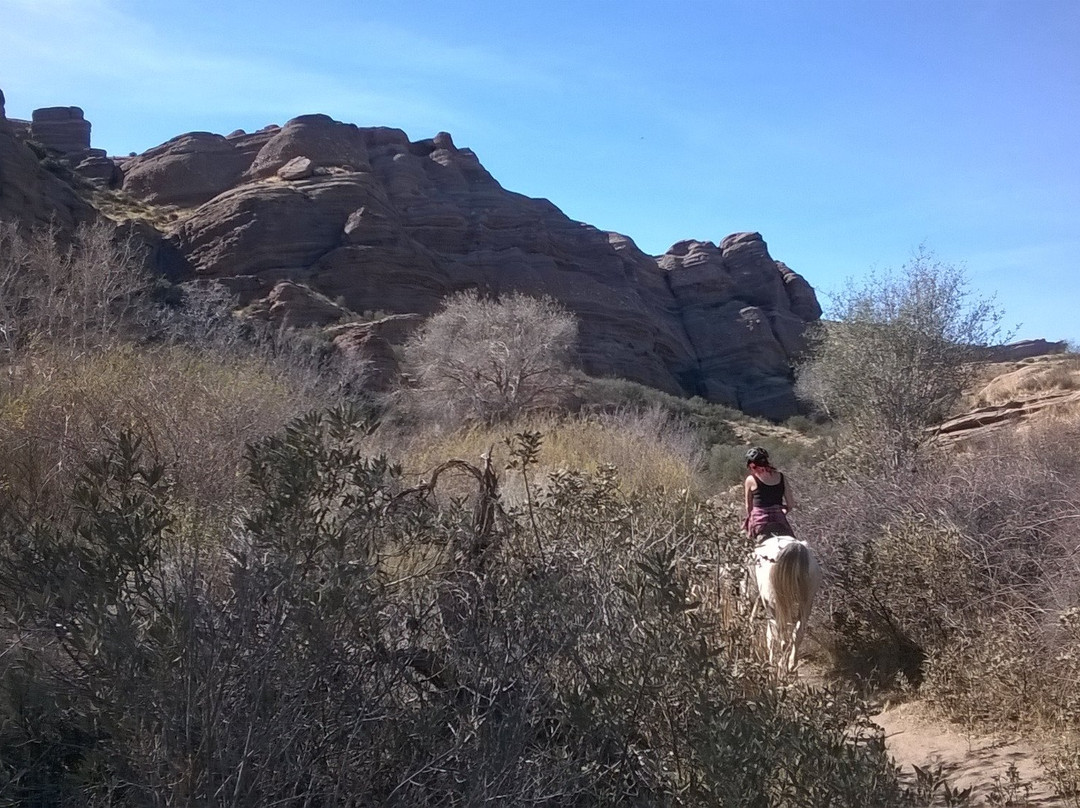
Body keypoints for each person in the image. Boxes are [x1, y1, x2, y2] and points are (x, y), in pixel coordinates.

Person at [742, 446, 795, 539]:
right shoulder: (781, 477)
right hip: (779, 517)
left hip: (760, 519)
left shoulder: (750, 479)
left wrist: (749, 521)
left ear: (752, 465)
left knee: (751, 545)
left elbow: (748, 507)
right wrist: (782, 511)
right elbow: (790, 504)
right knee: (793, 541)